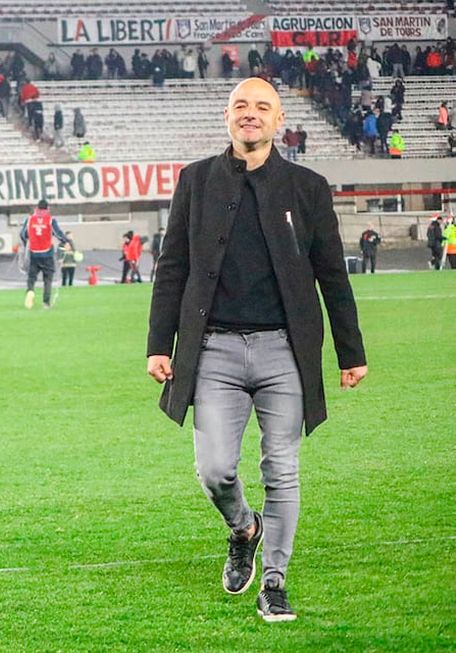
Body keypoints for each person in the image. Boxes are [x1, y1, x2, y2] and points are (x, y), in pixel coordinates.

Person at [147, 78, 367, 624]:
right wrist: (158, 344)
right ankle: (244, 527)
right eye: (241, 106)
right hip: (213, 350)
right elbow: (172, 266)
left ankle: (274, 582)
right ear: (227, 117)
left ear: (278, 120)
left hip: (284, 351)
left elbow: (331, 274)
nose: (251, 114)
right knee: (215, 470)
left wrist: (349, 351)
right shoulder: (195, 181)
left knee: (282, 469)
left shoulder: (308, 187)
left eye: (261, 107)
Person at [20, 199, 72, 309]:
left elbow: (23, 234)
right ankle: (46, 302)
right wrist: (66, 242)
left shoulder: (29, 220)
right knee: (47, 278)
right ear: (47, 208)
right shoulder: (50, 220)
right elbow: (58, 233)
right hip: (47, 253)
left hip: (34, 253)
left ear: (37, 208)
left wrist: (26, 244)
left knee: (32, 276)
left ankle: (30, 291)